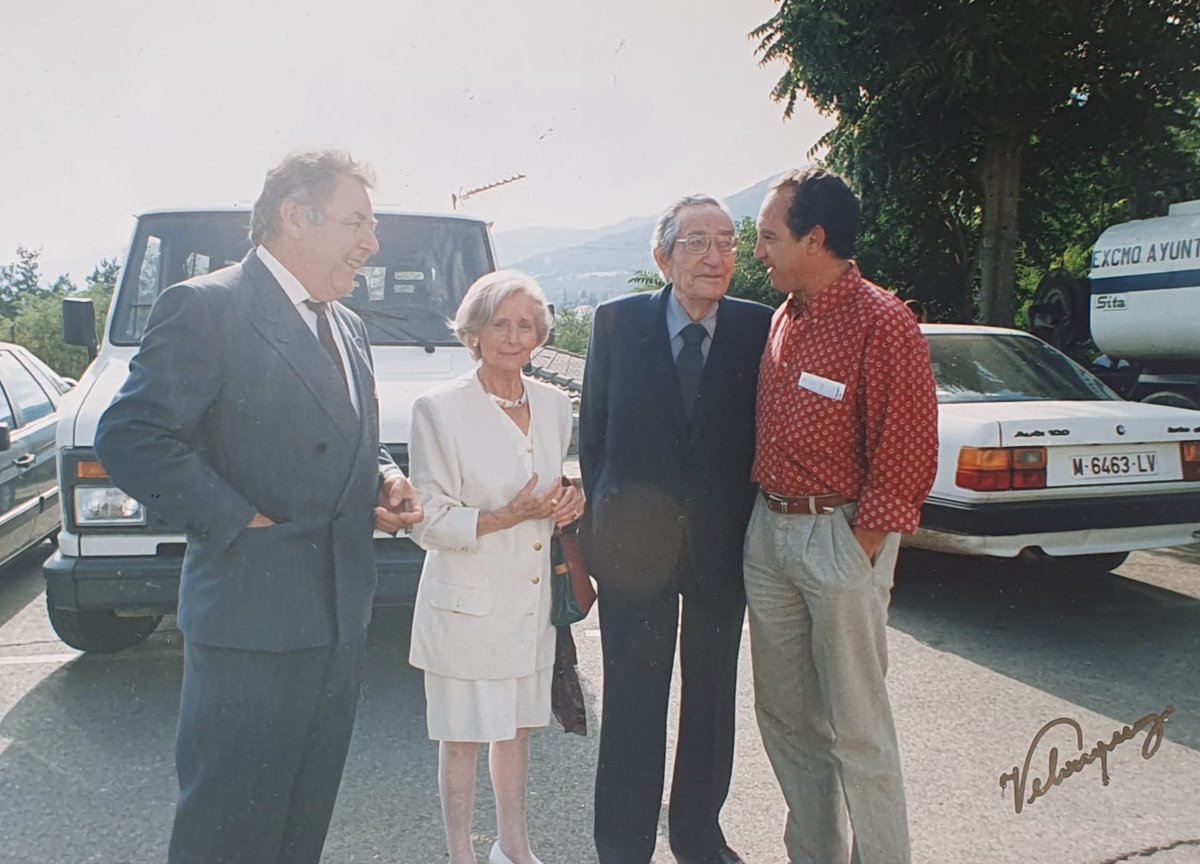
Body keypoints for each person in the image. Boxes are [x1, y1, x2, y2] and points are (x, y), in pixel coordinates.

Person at [94, 150, 423, 864]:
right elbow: (131, 435)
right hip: (252, 616)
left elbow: (347, 432)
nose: (371, 243)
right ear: (294, 219)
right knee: (229, 831)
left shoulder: (348, 325)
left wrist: (384, 480)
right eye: (356, 222)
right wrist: (239, 520)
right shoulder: (207, 305)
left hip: (336, 615)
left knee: (299, 823)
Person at [745, 168, 938, 864]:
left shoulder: (884, 322)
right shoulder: (783, 316)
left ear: (815, 238)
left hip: (839, 536)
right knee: (787, 719)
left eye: (768, 237)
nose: (757, 250)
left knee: (856, 726)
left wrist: (857, 550)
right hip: (769, 535)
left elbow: (908, 448)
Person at [578, 195, 773, 864]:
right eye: (697, 242)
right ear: (662, 257)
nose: (716, 256)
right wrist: (604, 528)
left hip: (724, 544)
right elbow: (594, 436)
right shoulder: (615, 322)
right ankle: (623, 845)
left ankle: (698, 834)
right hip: (634, 547)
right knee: (633, 699)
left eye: (726, 241)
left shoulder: (759, 326)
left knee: (712, 699)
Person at [407, 269, 583, 864]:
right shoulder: (438, 408)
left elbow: (552, 485)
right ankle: (459, 854)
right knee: (460, 739)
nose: (513, 337)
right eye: (500, 324)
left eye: (526, 325)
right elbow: (426, 520)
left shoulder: (556, 405)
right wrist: (506, 516)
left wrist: (570, 500)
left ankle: (514, 848)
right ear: (473, 331)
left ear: (540, 335)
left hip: (529, 606)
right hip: (465, 605)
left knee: (517, 732)